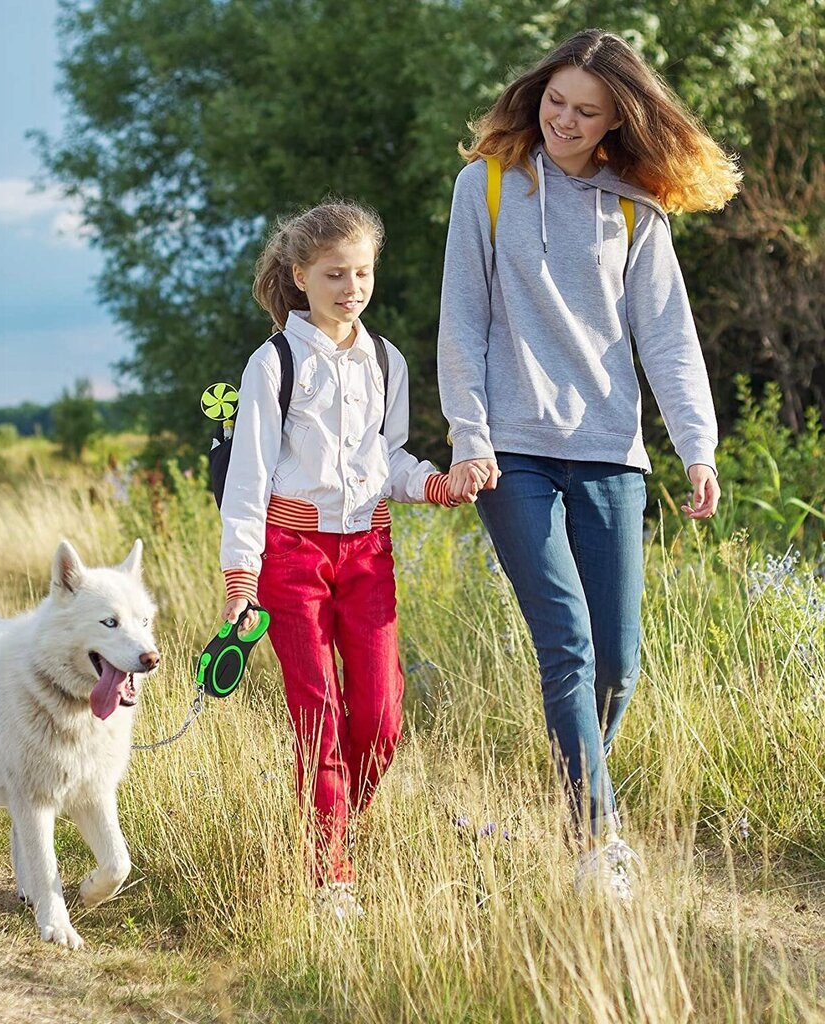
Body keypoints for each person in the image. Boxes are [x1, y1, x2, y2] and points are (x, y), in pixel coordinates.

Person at [437, 29, 741, 902]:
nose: (562, 119)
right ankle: (596, 840)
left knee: (618, 667)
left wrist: (698, 443)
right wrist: (471, 435)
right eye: (555, 101)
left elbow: (668, 333)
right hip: (513, 452)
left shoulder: (634, 206)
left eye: (585, 111)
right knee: (565, 639)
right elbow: (464, 322)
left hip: (610, 448)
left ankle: (576, 791)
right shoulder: (486, 186)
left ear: (617, 121)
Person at [219, 200, 463, 920]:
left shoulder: (387, 360)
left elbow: (387, 458)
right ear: (300, 276)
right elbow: (248, 478)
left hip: (369, 553)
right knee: (319, 716)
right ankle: (331, 872)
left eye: (362, 273)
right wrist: (241, 580)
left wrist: (435, 484)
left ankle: (331, 819)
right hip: (291, 557)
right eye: (334, 274)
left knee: (382, 718)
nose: (351, 287)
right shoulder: (273, 363)